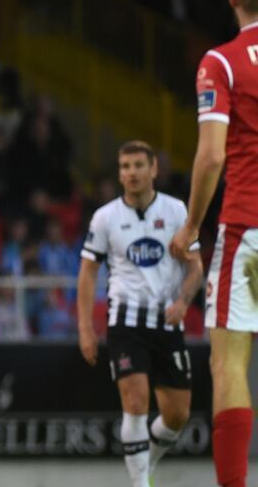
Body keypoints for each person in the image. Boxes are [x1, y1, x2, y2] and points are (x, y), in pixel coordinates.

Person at [170, 0, 258, 487]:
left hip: (246, 226)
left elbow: (212, 155)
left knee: (228, 365)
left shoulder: (221, 61)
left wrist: (189, 224)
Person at [79, 141, 203, 487]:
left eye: (137, 165)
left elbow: (196, 268)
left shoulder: (178, 211)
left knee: (177, 415)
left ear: (153, 170)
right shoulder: (105, 217)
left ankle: (144, 467)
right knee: (135, 401)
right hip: (125, 322)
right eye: (124, 167)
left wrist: (184, 300)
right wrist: (85, 328)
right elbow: (88, 272)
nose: (130, 173)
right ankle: (140, 484)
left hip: (166, 321)